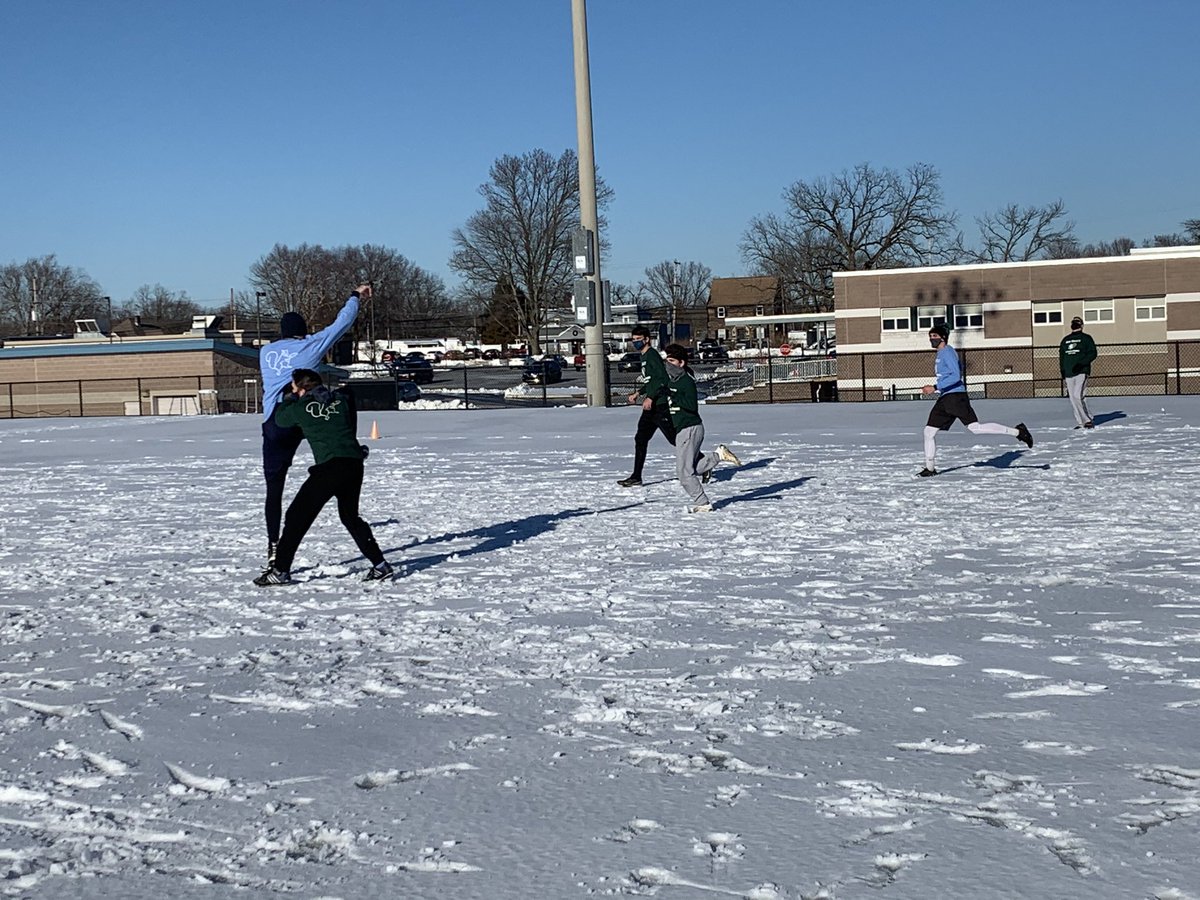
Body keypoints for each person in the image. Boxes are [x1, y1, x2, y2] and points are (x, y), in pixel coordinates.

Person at [259, 284, 367, 569]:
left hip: (274, 422)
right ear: (302, 331)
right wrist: (354, 296)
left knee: (274, 488)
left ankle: (273, 542)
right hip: (304, 415)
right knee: (333, 436)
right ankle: (351, 452)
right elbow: (341, 323)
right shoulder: (309, 346)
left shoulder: (265, 353)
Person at [254, 368, 392, 585]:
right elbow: (346, 402)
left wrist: (290, 398)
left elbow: (280, 419)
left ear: (300, 388)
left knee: (296, 517)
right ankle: (380, 565)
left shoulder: (300, 408)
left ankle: (280, 570)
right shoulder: (340, 400)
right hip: (354, 464)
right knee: (350, 517)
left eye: (293, 386)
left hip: (329, 467)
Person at [919, 323, 1033, 477]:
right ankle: (930, 469)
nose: (931, 339)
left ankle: (1018, 432)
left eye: (934, 336)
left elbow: (955, 375)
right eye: (930, 336)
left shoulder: (947, 352)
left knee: (975, 428)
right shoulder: (940, 354)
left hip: (955, 397)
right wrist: (938, 389)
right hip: (945, 397)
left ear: (943, 337)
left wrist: (935, 387)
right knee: (929, 431)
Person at [663, 344, 742, 512]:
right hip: (683, 429)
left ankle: (702, 503)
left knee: (684, 474)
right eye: (666, 360)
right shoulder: (673, 380)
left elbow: (691, 405)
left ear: (681, 363)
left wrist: (672, 395)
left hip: (690, 428)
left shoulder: (686, 381)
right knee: (693, 468)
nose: (668, 364)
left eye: (671, 361)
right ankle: (718, 455)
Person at [617, 324, 690, 487]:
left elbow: (662, 379)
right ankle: (636, 476)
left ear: (647, 339)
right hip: (650, 407)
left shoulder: (652, 355)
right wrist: (639, 393)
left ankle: (703, 463)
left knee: (674, 439)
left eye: (638, 339)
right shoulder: (643, 357)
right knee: (640, 438)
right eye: (633, 339)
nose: (635, 342)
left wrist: (650, 397)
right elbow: (651, 381)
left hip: (659, 405)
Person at [1059, 315, 1097, 429]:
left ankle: (1087, 420)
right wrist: (1063, 371)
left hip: (1081, 371)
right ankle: (1080, 422)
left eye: (1077, 323)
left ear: (1081, 325)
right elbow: (1062, 357)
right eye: (1073, 323)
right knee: (1073, 397)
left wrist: (1081, 364)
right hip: (1069, 372)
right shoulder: (1065, 340)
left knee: (1077, 395)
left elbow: (1092, 353)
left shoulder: (1086, 338)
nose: (1075, 325)